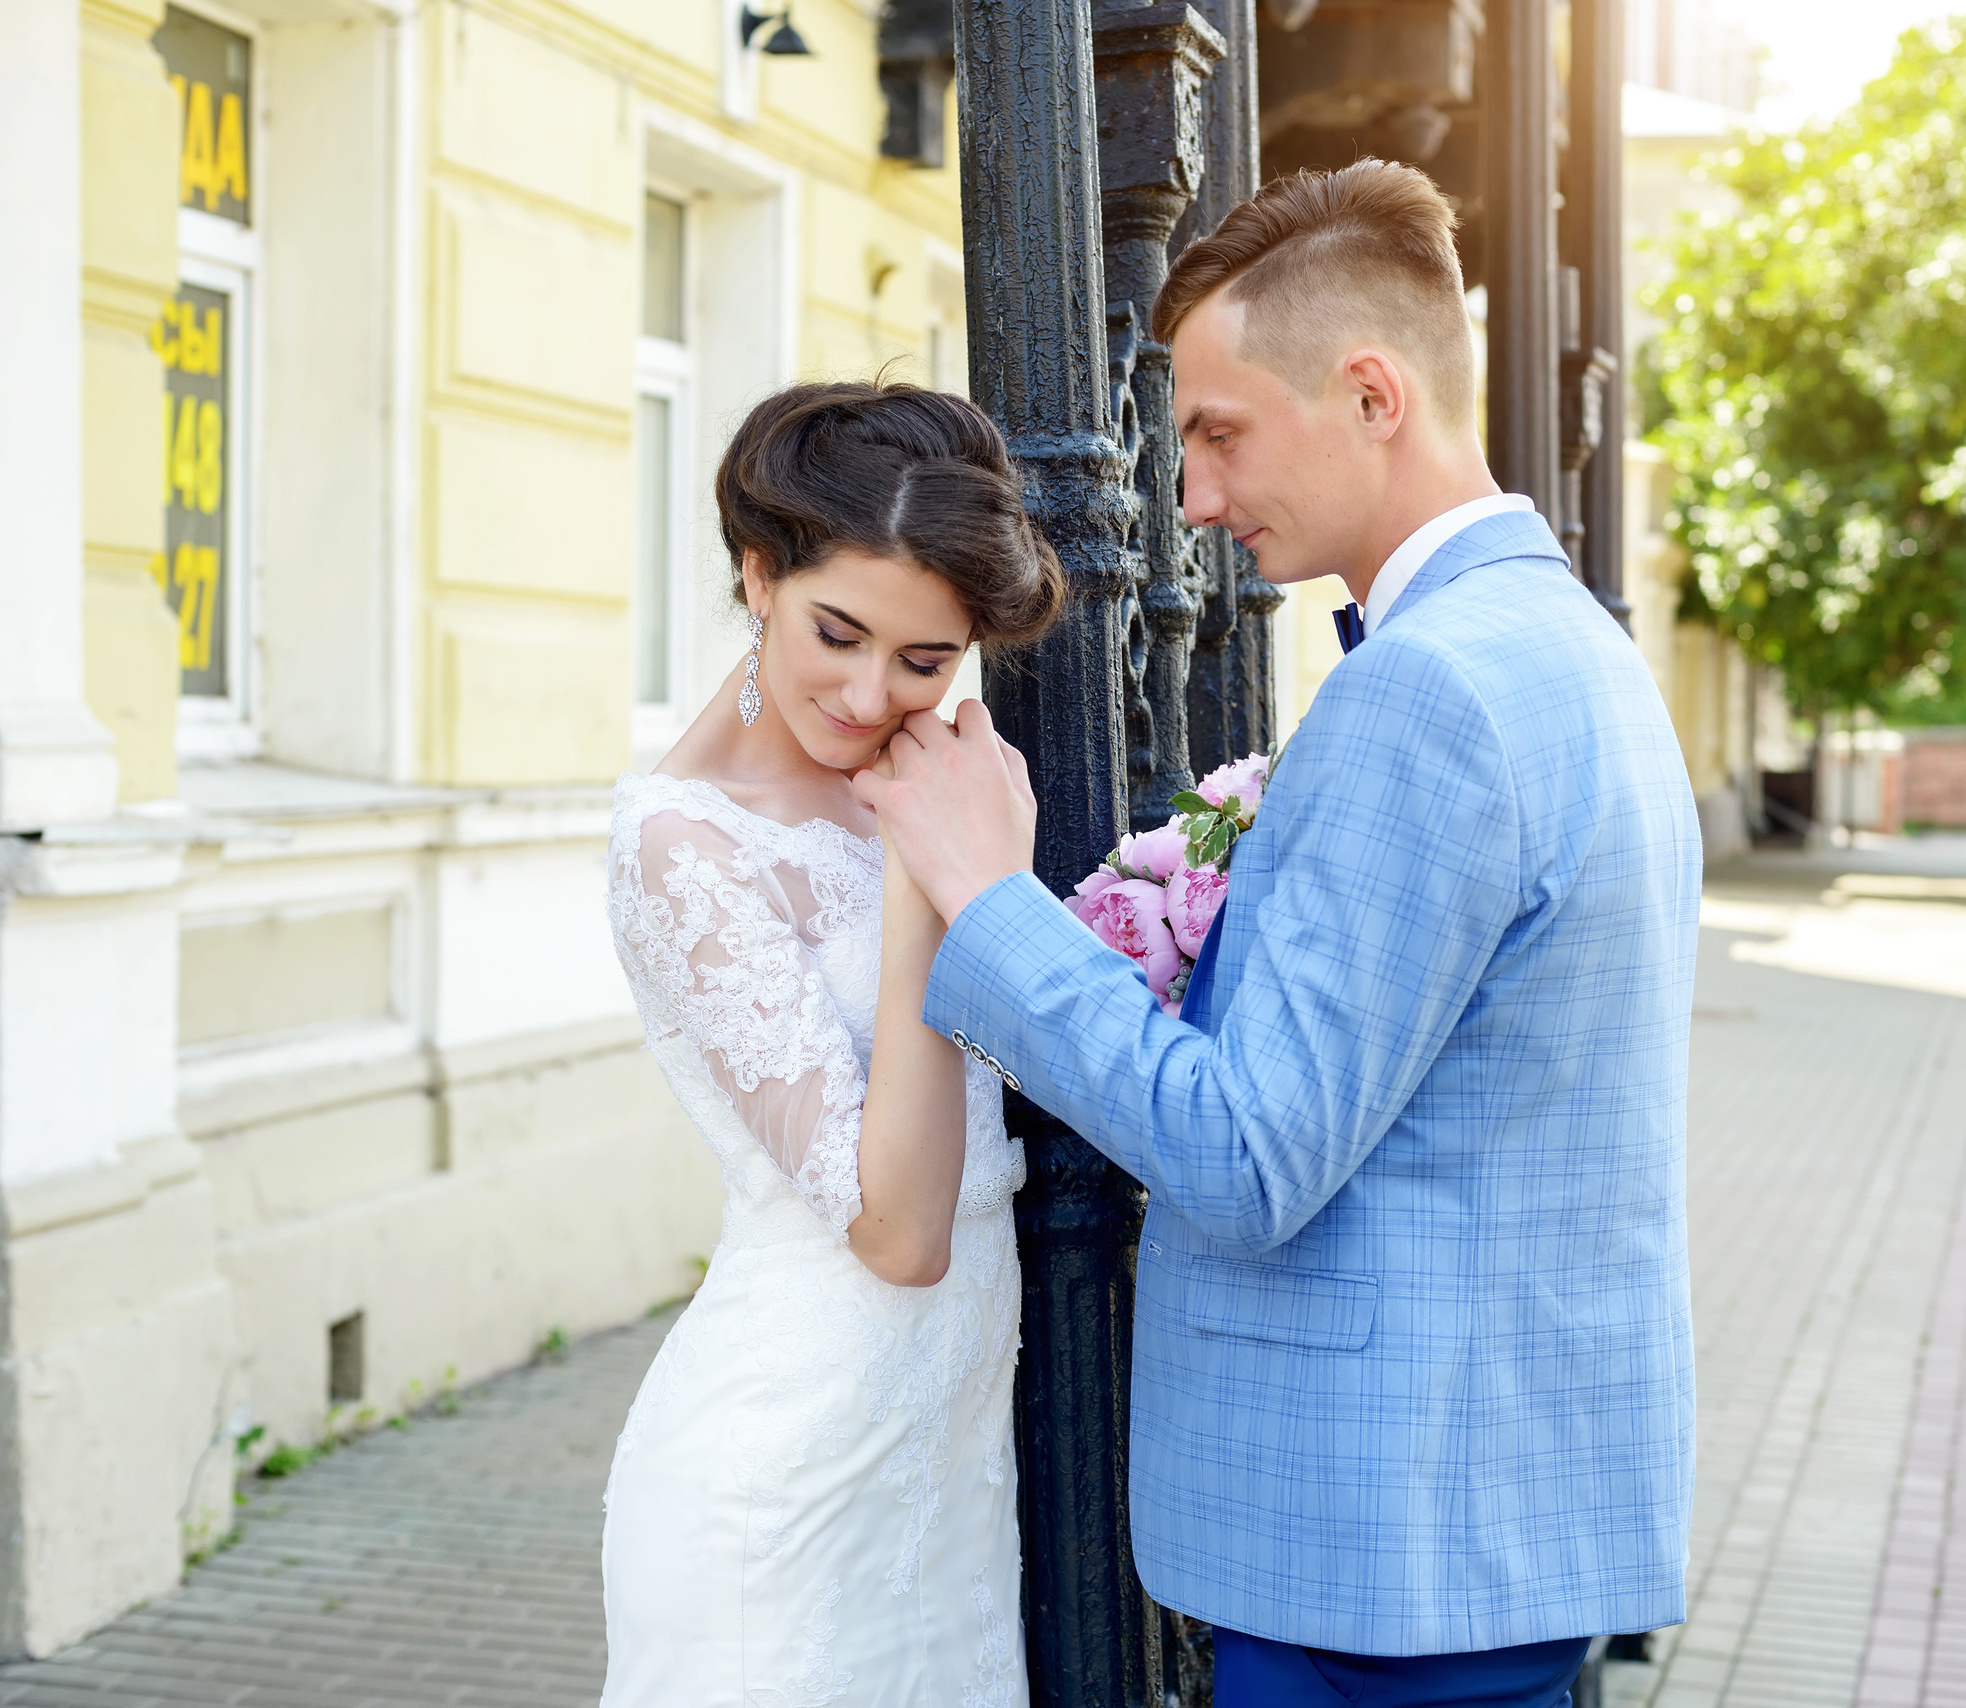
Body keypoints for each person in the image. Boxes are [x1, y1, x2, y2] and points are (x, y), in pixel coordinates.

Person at [857, 162, 1701, 1706]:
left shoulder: (1429, 693)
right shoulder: (1573, 646)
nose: (1192, 499)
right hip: (1480, 1528)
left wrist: (990, 905)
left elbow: (1251, 1159)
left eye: (1218, 433)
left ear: (1372, 392)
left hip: (1382, 1571)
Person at [598, 381, 1062, 1705]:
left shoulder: (935, 779)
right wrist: (936, 884)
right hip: (779, 1499)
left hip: (946, 1478)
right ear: (759, 576)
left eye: (924, 661)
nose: (868, 696)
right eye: (837, 633)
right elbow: (899, 1236)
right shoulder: (684, 845)